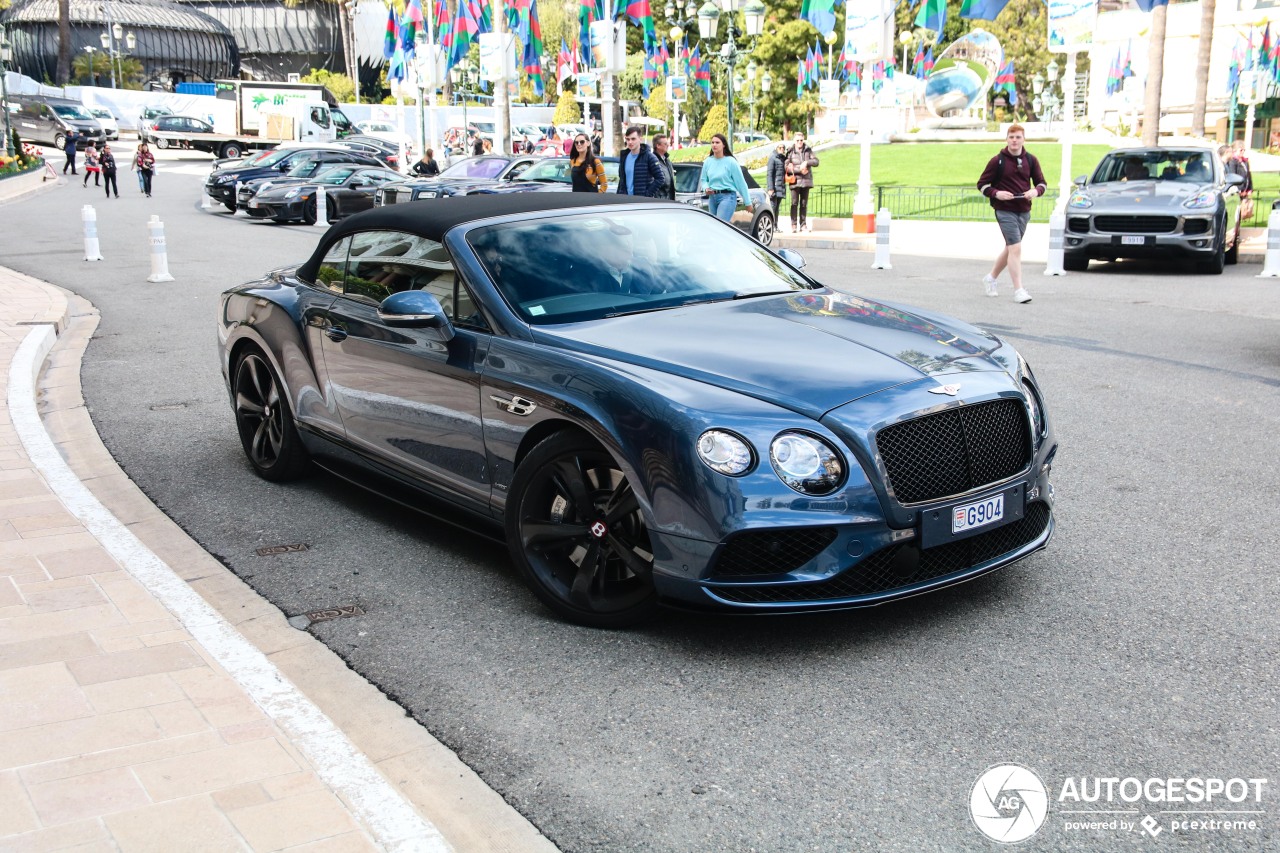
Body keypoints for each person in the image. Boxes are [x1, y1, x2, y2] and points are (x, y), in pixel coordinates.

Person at [977, 124, 1044, 304]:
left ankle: (991, 278)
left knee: (1010, 248)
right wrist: (997, 193)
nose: (1014, 140)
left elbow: (1041, 183)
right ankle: (1019, 290)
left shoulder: (1031, 160)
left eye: (1018, 137)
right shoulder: (997, 161)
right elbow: (982, 184)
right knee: (1015, 248)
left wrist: (1035, 192)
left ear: (1023, 139)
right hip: (1004, 210)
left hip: (1024, 210)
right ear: (1007, 139)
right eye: (1011, 137)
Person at [699, 134, 753, 223]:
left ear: (723, 145)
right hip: (712, 197)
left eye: (717, 142)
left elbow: (741, 183)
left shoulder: (731, 162)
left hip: (727, 197)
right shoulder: (708, 161)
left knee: (720, 225)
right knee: (713, 226)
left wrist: (748, 202)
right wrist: (706, 188)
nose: (714, 145)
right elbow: (704, 180)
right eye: (712, 143)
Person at [615, 125, 668, 198]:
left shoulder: (649, 157)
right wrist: (619, 195)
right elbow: (622, 180)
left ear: (640, 139)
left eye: (633, 139)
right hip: (625, 200)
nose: (630, 142)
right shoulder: (624, 156)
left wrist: (647, 195)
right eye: (628, 139)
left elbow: (660, 178)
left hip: (641, 202)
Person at [784, 132, 819, 233]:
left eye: (801, 140)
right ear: (794, 141)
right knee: (794, 203)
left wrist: (807, 162)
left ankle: (803, 225)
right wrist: (800, 169)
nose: (799, 142)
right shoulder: (790, 151)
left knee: (804, 204)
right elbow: (786, 167)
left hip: (806, 181)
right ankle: (793, 224)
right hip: (795, 182)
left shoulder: (808, 150)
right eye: (797, 140)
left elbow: (816, 161)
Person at [765, 141, 788, 229]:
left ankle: (775, 226)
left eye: (783, 148)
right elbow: (769, 174)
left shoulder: (782, 158)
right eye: (780, 147)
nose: (782, 149)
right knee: (772, 208)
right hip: (774, 188)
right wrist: (770, 188)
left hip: (780, 187)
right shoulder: (773, 158)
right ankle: (770, 226)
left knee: (777, 208)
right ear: (776, 148)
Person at [652, 133, 676, 200]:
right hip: (659, 200)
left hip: (669, 199)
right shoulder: (652, 161)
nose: (668, 145)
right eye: (665, 144)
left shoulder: (667, 160)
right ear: (658, 146)